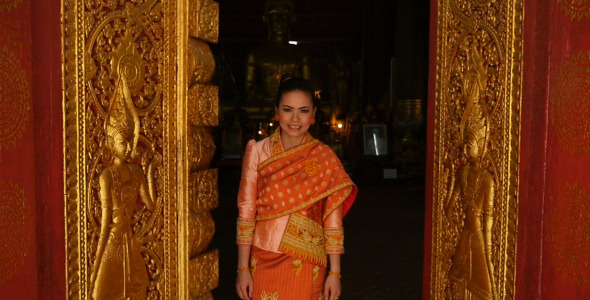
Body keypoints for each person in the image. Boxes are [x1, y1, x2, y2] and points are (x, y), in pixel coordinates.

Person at [235, 75, 357, 300]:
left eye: (303, 111)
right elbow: (246, 211)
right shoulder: (257, 151)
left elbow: (333, 219)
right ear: (277, 111)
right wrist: (242, 269)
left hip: (307, 260)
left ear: (313, 115)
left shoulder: (324, 157)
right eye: (288, 109)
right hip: (263, 256)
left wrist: (335, 272)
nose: (295, 119)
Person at [90, 78, 160, 300]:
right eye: (122, 142)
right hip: (113, 241)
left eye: (130, 141)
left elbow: (151, 205)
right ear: (110, 144)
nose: (129, 146)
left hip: (128, 241)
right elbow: (105, 223)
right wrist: (95, 266)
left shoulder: (137, 171)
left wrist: (149, 172)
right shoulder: (106, 176)